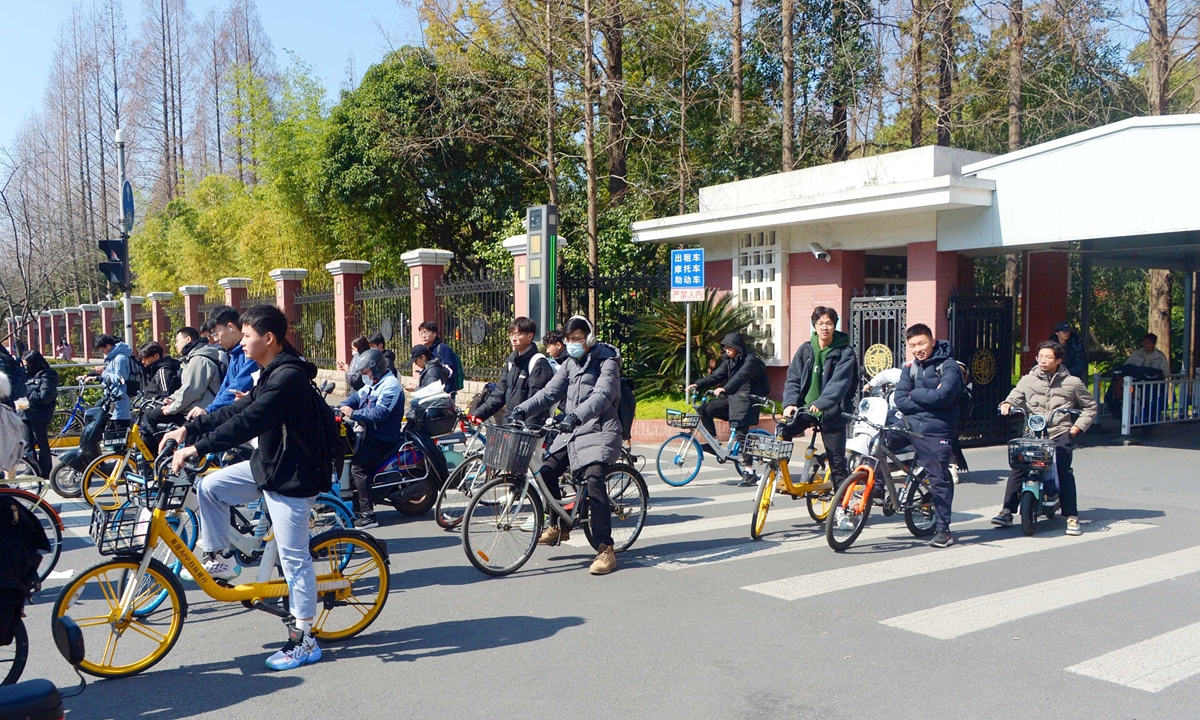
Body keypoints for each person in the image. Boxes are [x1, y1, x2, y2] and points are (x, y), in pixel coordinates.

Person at [163, 304, 326, 671]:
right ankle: (222, 559)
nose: (243, 342)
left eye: (248, 336)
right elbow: (236, 411)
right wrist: (189, 429)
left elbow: (248, 422)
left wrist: (196, 448)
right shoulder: (270, 373)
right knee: (210, 487)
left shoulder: (287, 379)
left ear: (268, 339)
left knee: (294, 557)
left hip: (293, 478)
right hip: (269, 466)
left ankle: (305, 639)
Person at [510, 316, 622, 576]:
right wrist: (521, 409)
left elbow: (603, 395)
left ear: (590, 338)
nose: (572, 344)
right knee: (546, 471)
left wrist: (575, 416)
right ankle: (560, 525)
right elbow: (550, 392)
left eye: (578, 339)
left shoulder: (607, 362)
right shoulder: (570, 364)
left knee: (594, 480)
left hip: (600, 430)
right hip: (571, 431)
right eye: (569, 340)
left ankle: (606, 549)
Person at [994, 341, 1098, 535]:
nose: (1043, 360)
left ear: (1058, 360)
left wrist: (1076, 428)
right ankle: (1007, 510)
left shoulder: (1072, 382)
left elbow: (1090, 407)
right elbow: (1014, 397)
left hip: (1059, 432)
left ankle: (1072, 517)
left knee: (1063, 470)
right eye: (1040, 356)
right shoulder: (1027, 380)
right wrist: (1007, 404)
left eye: (1048, 357)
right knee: (1019, 467)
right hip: (1032, 433)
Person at [892, 323, 963, 548]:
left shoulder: (949, 366)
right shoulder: (910, 367)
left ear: (932, 341)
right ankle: (874, 488)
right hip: (910, 422)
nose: (917, 349)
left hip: (937, 428)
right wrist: (924, 398)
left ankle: (944, 530)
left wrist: (915, 394)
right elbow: (899, 399)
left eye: (922, 343)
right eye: (912, 345)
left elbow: (943, 397)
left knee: (938, 478)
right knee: (878, 444)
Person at [782, 307, 858, 489]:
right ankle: (776, 471)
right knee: (783, 431)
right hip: (806, 409)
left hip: (833, 412)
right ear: (814, 326)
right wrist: (790, 403)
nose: (825, 327)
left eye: (829, 323)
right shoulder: (806, 349)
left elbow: (840, 383)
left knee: (837, 462)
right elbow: (793, 378)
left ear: (835, 326)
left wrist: (822, 403)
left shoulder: (845, 352)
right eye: (821, 323)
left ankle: (842, 508)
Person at [687, 332, 770, 485]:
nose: (726, 350)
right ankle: (714, 443)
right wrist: (698, 384)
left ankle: (750, 472)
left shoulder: (751, 361)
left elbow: (741, 378)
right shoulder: (729, 361)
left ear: (738, 347)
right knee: (706, 409)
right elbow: (716, 376)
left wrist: (724, 389)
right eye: (725, 348)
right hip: (732, 397)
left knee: (741, 434)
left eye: (729, 347)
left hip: (748, 399)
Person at [338, 349, 404, 529]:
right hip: (369, 434)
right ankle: (355, 503)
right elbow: (356, 396)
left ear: (375, 368)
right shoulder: (374, 383)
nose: (363, 375)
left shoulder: (390, 385)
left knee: (358, 469)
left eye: (365, 371)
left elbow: (381, 412)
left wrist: (353, 414)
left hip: (383, 437)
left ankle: (368, 515)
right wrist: (342, 406)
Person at [147, 328, 225, 452]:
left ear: (188, 339)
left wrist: (171, 408)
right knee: (153, 414)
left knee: (153, 416)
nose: (175, 344)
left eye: (177, 340)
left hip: (198, 411)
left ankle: (164, 451)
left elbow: (191, 391)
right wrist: (172, 399)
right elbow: (185, 388)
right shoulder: (193, 358)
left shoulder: (199, 359)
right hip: (192, 407)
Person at [474, 318, 555, 428]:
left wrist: (530, 430)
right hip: (509, 423)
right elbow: (499, 394)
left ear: (530, 336)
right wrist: (478, 414)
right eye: (511, 334)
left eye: (518, 334)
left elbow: (537, 401)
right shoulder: (511, 362)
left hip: (526, 429)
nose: (513, 339)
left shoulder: (538, 363)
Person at [187, 306, 256, 421]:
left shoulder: (249, 353)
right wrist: (210, 410)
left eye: (216, 333)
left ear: (230, 327)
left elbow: (239, 385)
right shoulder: (234, 353)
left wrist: (210, 410)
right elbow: (226, 386)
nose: (214, 339)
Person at [18, 351, 57, 479]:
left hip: (40, 415)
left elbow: (45, 397)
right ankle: (32, 470)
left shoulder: (48, 376)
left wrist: (27, 391)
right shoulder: (27, 375)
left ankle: (45, 471)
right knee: (27, 443)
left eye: (27, 364)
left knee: (42, 443)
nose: (26, 367)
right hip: (26, 413)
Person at [92, 334, 133, 426]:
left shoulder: (119, 359)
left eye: (102, 350)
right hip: (113, 400)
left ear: (109, 346)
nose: (103, 353)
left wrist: (103, 373)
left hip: (120, 402)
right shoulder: (112, 358)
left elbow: (120, 379)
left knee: (118, 433)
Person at [417, 322, 463, 397]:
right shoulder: (426, 350)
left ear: (434, 334)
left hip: (446, 392)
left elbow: (451, 370)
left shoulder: (443, 348)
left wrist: (435, 374)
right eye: (421, 333)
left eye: (426, 333)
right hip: (432, 392)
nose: (423, 336)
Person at [0, 345, 24, 410]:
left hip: (4, 406)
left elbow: (5, 386)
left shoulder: (2, 361)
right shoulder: (5, 359)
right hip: (7, 403)